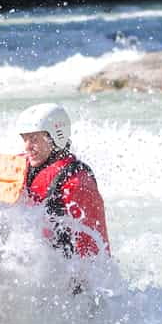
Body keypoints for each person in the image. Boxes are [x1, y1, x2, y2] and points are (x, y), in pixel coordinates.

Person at [16, 103, 110, 258]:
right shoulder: (23, 165)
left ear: (55, 137)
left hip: (63, 267)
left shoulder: (77, 182)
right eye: (24, 138)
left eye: (34, 139)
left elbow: (93, 252)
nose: (27, 147)